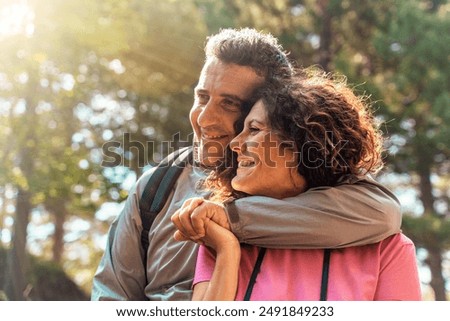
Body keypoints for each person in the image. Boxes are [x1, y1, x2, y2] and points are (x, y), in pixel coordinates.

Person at [92, 28, 402, 301]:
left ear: (271, 109)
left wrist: (229, 219)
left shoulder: (310, 184)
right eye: (202, 97)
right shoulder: (158, 186)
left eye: (228, 103)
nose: (203, 119)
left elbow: (383, 213)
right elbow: (111, 296)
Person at [181, 68, 421, 300]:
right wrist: (227, 250)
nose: (235, 143)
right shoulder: (220, 233)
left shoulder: (387, 249)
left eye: (254, 129)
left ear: (303, 143)